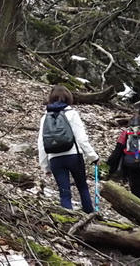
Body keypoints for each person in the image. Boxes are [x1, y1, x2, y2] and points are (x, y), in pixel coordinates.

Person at [37, 85, 99, 214]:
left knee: (64, 193)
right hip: (73, 156)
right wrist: (92, 156)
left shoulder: (45, 117)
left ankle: (68, 220)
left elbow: (41, 143)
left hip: (54, 158)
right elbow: (81, 138)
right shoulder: (72, 114)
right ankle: (90, 215)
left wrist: (44, 166)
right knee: (82, 187)